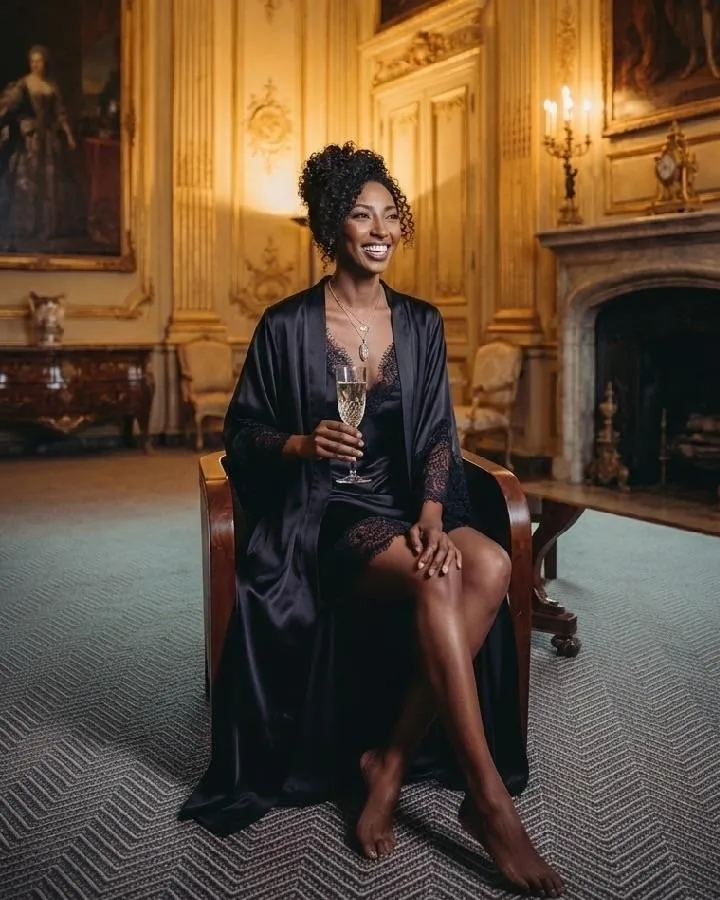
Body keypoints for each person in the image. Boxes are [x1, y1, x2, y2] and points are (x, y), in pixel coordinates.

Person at [180, 142, 564, 898]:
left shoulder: (421, 322)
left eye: (391, 214)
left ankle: (388, 760)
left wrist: (429, 510)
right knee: (435, 581)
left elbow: (434, 436)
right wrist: (302, 440)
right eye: (362, 214)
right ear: (333, 227)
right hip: (326, 509)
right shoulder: (288, 324)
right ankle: (487, 800)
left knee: (488, 562)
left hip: (407, 499)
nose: (380, 228)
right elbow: (242, 439)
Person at [0, 45, 78, 247]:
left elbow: (61, 114)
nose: (36, 64)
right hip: (31, 140)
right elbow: (8, 105)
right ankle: (26, 226)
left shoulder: (51, 86)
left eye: (39, 61)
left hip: (48, 140)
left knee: (48, 183)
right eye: (33, 61)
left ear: (45, 62)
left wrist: (69, 137)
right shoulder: (24, 84)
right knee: (29, 182)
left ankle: (46, 228)